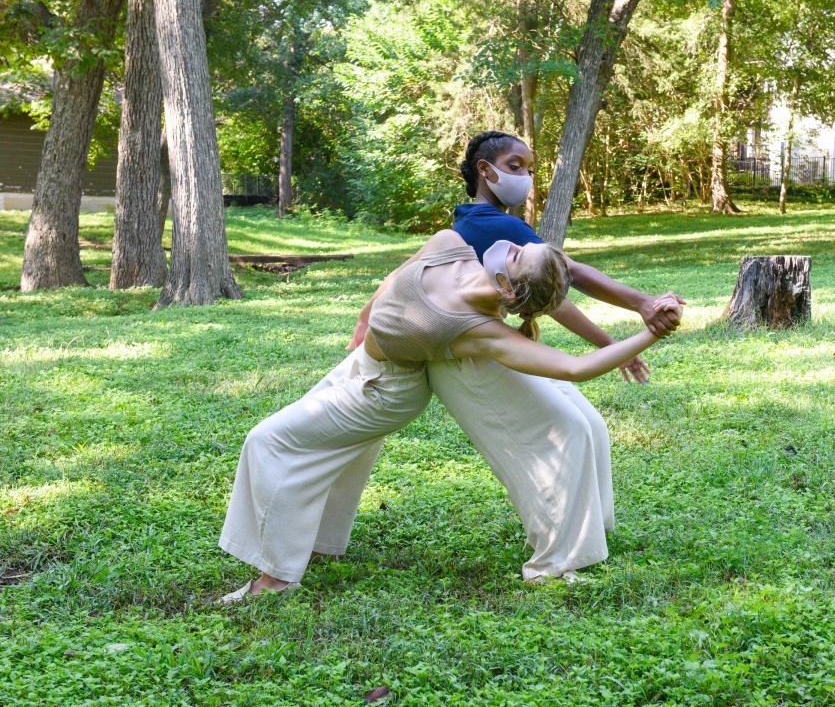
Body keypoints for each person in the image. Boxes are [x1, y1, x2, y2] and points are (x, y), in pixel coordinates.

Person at [220, 228, 681, 601]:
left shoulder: (477, 330)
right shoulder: (448, 246)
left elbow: (575, 368)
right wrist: (365, 316)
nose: (515, 244)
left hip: (385, 390)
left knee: (269, 441)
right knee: (324, 451)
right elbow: (397, 275)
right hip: (359, 365)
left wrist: (649, 333)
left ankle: (276, 580)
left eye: (521, 254)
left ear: (508, 286)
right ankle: (311, 547)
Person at [348, 131, 686, 582]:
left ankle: (591, 533)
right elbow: (569, 278)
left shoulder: (474, 219)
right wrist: (640, 307)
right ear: (484, 171)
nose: (525, 177)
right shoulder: (494, 225)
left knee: (587, 425)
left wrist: (365, 313)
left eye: (529, 169)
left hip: (481, 343)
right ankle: (556, 559)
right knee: (564, 430)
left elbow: (545, 291)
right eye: (514, 166)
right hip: (467, 354)